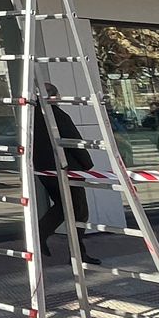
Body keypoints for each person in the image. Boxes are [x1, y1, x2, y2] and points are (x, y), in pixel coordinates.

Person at [32, 82, 100, 263]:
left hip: (44, 170)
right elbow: (74, 142)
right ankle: (76, 253)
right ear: (53, 97)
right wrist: (86, 165)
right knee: (78, 210)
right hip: (67, 169)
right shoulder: (56, 115)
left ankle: (41, 237)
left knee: (63, 206)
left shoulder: (30, 117)